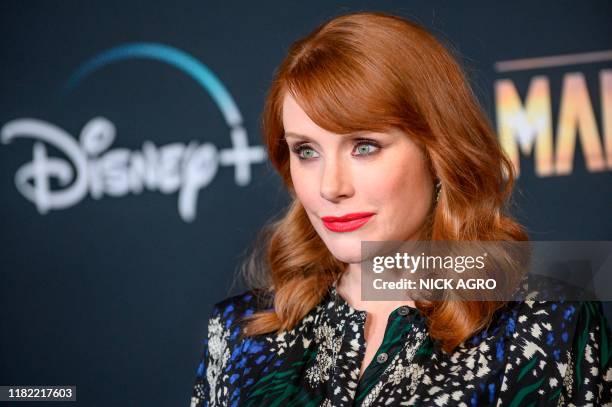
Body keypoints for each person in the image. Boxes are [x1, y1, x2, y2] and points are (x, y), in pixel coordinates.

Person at [190, 11, 612, 406]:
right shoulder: (240, 332)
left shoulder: (544, 323)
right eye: (306, 151)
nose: (330, 187)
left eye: (365, 146)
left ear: (438, 152)